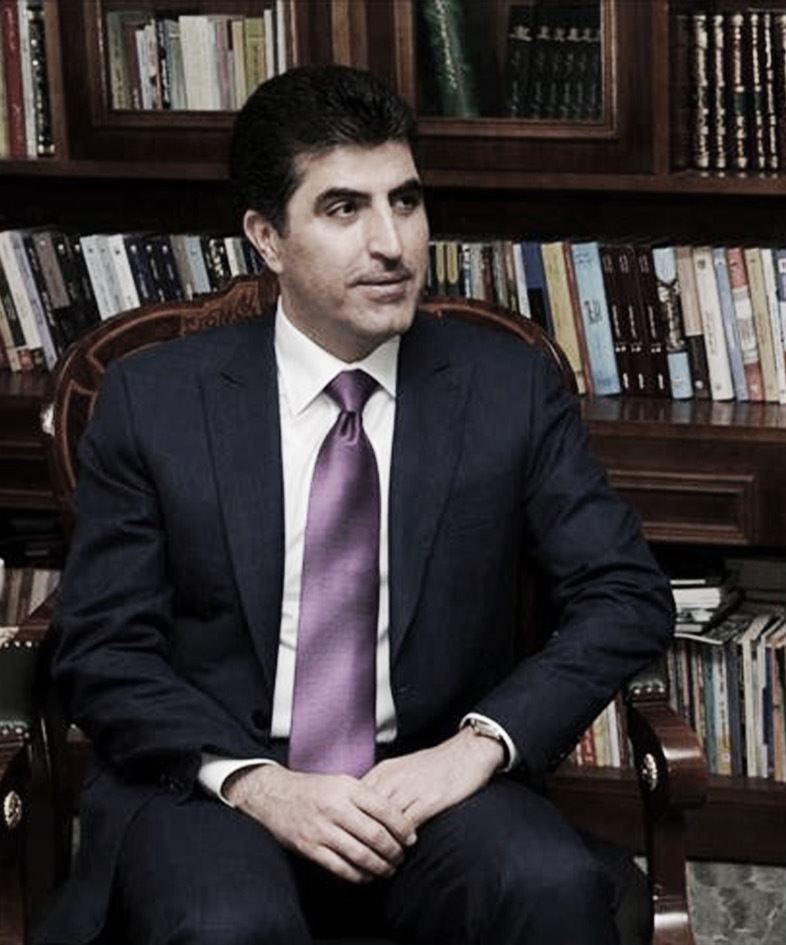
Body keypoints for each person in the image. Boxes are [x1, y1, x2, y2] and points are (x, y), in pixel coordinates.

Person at [37, 65, 672, 945]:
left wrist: (477, 745)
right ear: (267, 237)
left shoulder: (507, 388)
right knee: (226, 924)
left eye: (405, 202)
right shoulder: (156, 401)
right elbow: (103, 647)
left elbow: (625, 594)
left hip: (424, 781)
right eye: (344, 208)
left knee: (548, 885)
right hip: (214, 788)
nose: (392, 243)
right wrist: (261, 783)